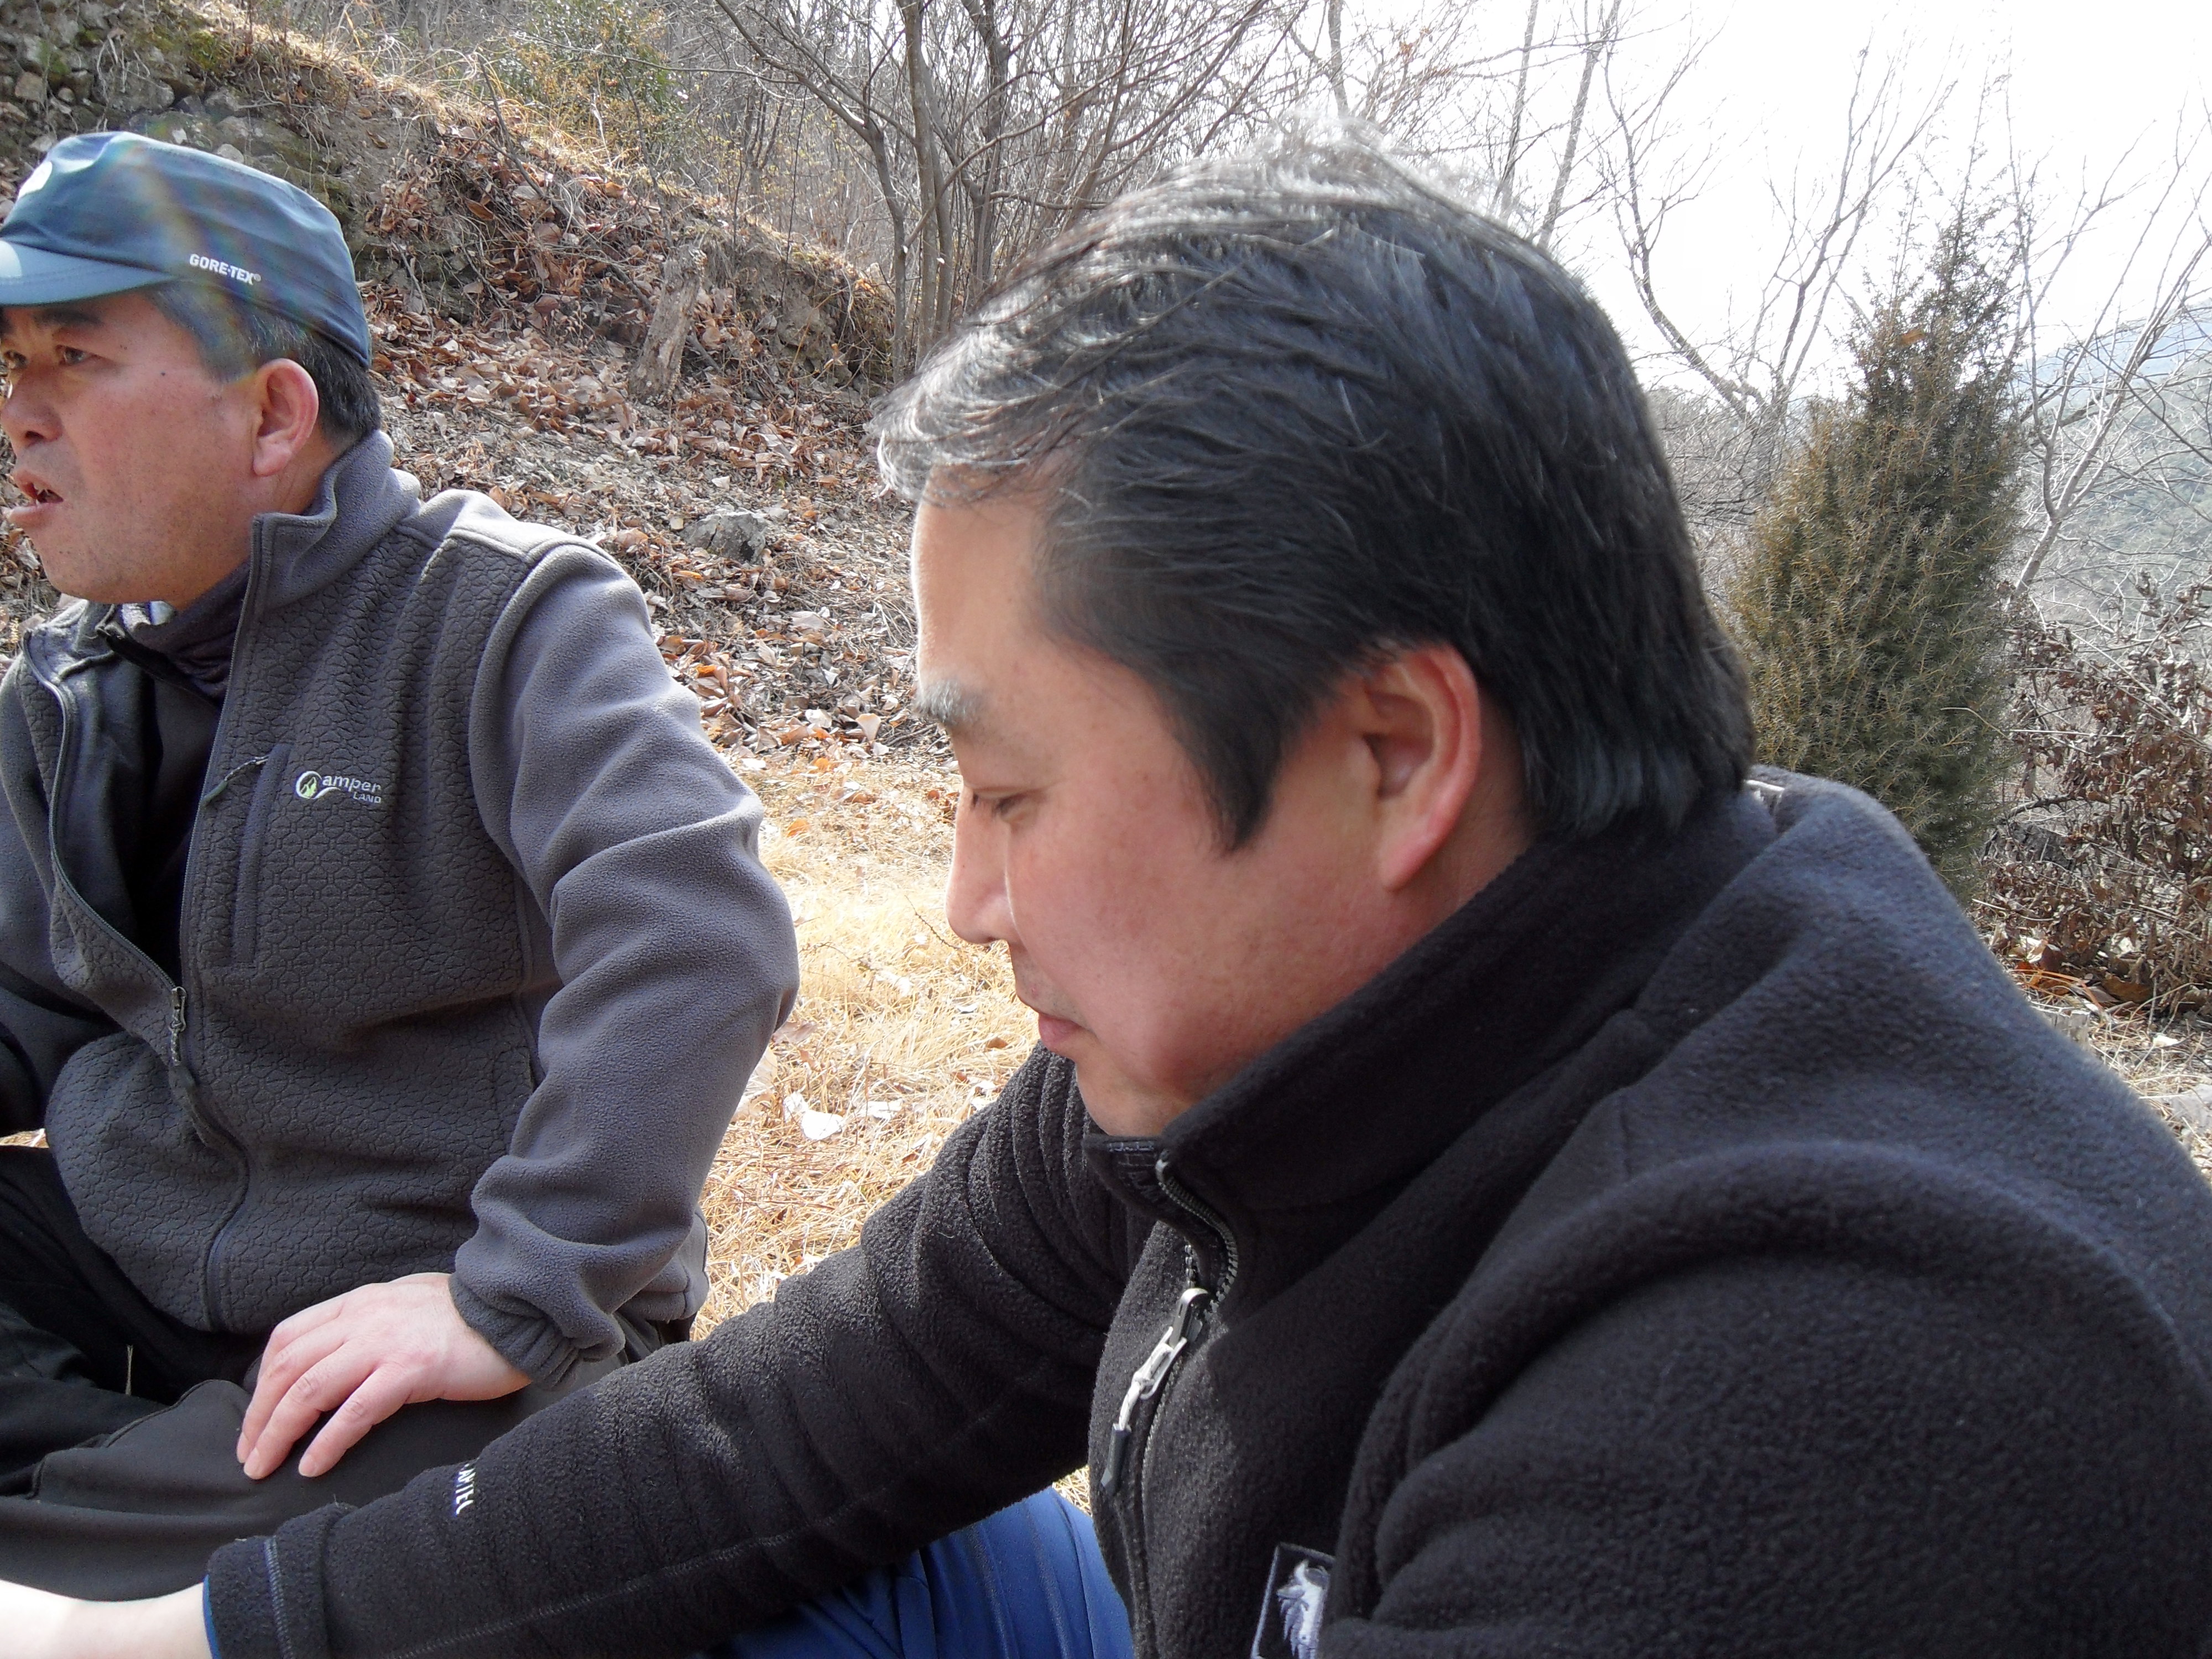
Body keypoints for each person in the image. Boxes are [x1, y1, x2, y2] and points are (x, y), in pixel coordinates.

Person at [15, 125, 2212, 1659]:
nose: (964, 904)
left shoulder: (1796, 1404)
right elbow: (797, 1424)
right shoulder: (1294, 1024)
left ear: (1393, 753)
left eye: (1010, 790)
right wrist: (186, 1639)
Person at [0, 131, 798, 1595]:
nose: (19, 415)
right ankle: (147, 1521)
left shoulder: (508, 621)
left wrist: (517, 1294)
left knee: (467, 1502)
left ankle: (142, 1547)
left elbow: (701, 934)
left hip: (444, 1322)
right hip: (141, 1264)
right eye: (10, 365)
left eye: (73, 358)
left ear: (272, 414)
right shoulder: (71, 686)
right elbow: (24, 1007)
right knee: (310, 1558)